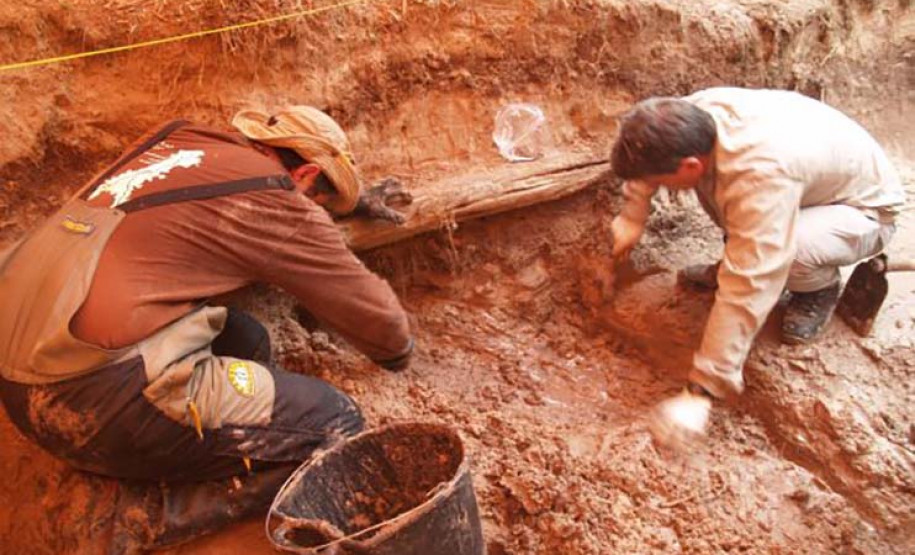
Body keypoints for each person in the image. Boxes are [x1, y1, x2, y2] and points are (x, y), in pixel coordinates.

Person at [0, 106, 415, 548]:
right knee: (335, 423)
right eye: (319, 201)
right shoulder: (273, 197)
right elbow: (377, 323)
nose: (315, 213)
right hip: (90, 404)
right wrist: (399, 351)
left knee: (244, 337)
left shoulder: (178, 144)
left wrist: (341, 207)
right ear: (306, 173)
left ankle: (201, 448)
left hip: (19, 375)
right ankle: (150, 517)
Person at [608, 87, 905, 447]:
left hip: (863, 210)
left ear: (690, 165)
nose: (655, 186)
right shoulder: (688, 115)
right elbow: (644, 159)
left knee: (785, 256)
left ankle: (818, 287)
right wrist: (632, 215)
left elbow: (751, 283)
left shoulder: (759, 175)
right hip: (809, 183)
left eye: (659, 182)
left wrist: (699, 392)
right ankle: (751, 251)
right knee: (739, 212)